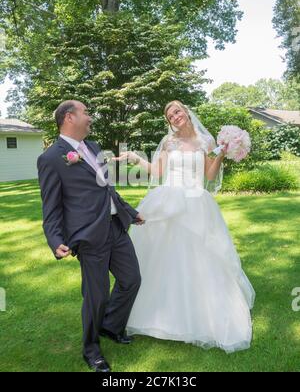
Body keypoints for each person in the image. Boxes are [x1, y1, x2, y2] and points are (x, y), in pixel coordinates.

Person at [113, 100, 255, 353]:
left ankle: (203, 314)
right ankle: (155, 315)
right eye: (170, 115)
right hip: (169, 200)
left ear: (186, 112)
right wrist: (135, 157)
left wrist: (221, 152)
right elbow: (157, 173)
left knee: (200, 257)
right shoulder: (169, 143)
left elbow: (209, 175)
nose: (174, 117)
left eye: (177, 111)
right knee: (163, 258)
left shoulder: (206, 141)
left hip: (196, 202)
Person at [37, 100, 145, 372]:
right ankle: (91, 349)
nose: (90, 117)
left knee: (131, 279)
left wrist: (130, 212)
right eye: (86, 112)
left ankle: (111, 326)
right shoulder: (51, 158)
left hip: (115, 226)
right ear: (69, 117)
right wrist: (54, 239)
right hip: (88, 235)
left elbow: (108, 189)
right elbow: (51, 207)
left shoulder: (94, 147)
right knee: (96, 296)